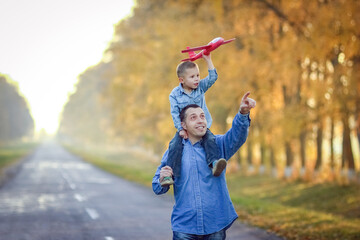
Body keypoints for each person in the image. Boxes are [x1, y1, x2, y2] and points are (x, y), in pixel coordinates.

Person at [152, 92, 256, 240]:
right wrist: (162, 179)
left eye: (202, 116)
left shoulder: (218, 146)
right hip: (184, 228)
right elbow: (157, 187)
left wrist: (243, 113)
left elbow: (236, 137)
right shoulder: (173, 152)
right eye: (193, 118)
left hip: (215, 225)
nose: (200, 120)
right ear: (183, 125)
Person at [160, 53, 226, 187]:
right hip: (184, 128)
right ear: (181, 80)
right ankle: (168, 174)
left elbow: (213, 77)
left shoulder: (200, 87)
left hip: (201, 127)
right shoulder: (175, 95)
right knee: (174, 146)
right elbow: (174, 113)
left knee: (210, 139)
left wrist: (208, 59)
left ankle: (214, 164)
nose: (196, 79)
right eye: (192, 77)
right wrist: (180, 129)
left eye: (197, 75)